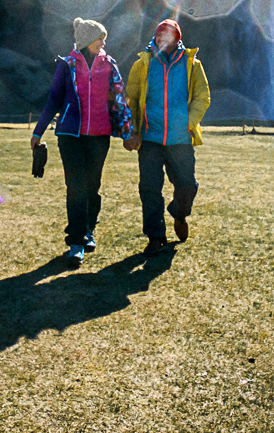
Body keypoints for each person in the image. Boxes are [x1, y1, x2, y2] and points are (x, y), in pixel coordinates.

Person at [31, 18, 134, 267]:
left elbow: (120, 100)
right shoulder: (66, 66)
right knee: (76, 186)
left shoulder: (110, 65)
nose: (104, 42)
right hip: (70, 136)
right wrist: (38, 132)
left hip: (99, 136)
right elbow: (54, 100)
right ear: (88, 40)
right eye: (100, 38)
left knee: (92, 187)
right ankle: (75, 242)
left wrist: (128, 133)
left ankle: (89, 230)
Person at [125, 18, 211, 256]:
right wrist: (131, 130)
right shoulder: (142, 64)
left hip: (181, 139)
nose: (165, 40)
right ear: (155, 37)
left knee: (187, 185)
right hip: (150, 138)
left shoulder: (192, 64)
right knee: (149, 188)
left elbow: (202, 97)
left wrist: (188, 123)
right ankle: (155, 237)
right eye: (161, 36)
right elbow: (130, 99)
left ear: (178, 39)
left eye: (170, 36)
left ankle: (179, 213)